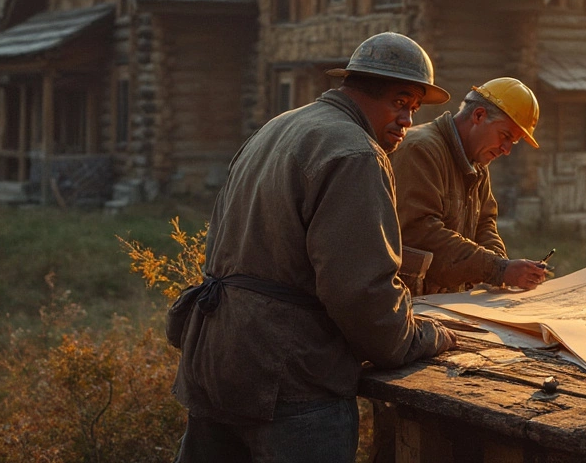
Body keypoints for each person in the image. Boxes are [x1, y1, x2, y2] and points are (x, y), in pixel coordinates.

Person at [172, 32, 458, 463]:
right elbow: (361, 294)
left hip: (219, 358)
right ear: (362, 88)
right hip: (291, 379)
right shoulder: (356, 152)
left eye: (414, 109)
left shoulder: (279, 127)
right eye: (401, 102)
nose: (407, 121)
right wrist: (421, 337)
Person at [390, 76, 549, 293]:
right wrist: (499, 270)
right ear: (479, 115)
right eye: (504, 136)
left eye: (512, 143)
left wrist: (502, 267)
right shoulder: (420, 150)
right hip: (408, 301)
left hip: (444, 301)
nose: (506, 149)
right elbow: (419, 233)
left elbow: (485, 224)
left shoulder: (478, 163)